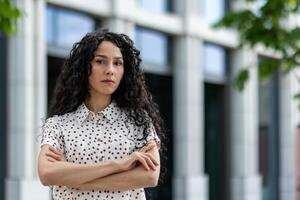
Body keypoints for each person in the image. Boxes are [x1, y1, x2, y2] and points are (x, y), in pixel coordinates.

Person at [37, 29, 165, 200]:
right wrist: (119, 165)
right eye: (100, 61)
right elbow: (47, 174)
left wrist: (72, 177)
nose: (110, 70)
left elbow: (149, 177)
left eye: (118, 63)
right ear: (83, 66)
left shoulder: (138, 122)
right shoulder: (58, 125)